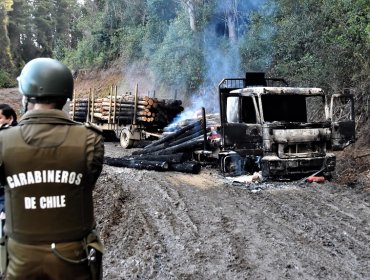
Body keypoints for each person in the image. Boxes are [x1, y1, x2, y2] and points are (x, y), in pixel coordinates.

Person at [0, 57, 105, 280]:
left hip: (21, 256)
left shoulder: (4, 141)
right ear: (66, 95)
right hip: (74, 256)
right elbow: (89, 181)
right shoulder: (90, 139)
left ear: (26, 95)